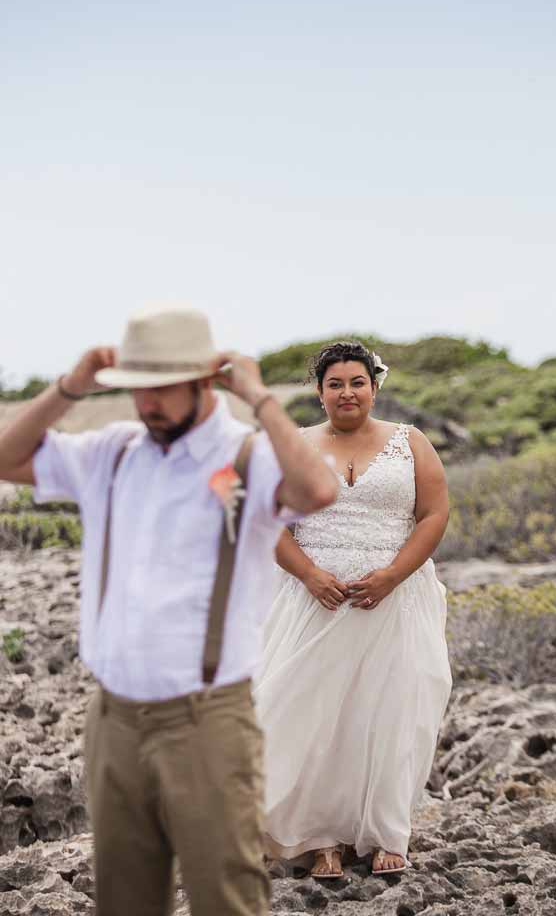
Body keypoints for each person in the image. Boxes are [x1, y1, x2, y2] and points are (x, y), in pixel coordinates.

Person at [0, 304, 338, 916]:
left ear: (204, 381)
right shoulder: (113, 451)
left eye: (160, 391)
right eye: (136, 391)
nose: (146, 405)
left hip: (205, 719)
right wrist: (70, 389)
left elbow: (317, 491)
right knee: (124, 901)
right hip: (112, 716)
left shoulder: (247, 457)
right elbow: (5, 457)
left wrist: (259, 397)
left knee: (225, 898)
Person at [254, 341, 453, 878]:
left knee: (390, 709)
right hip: (316, 597)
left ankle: (388, 832)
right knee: (311, 714)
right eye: (335, 384)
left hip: (393, 595)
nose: (347, 392)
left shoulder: (409, 442)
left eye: (357, 382)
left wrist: (393, 574)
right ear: (319, 393)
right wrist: (310, 574)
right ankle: (321, 839)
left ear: (374, 386)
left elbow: (434, 513)